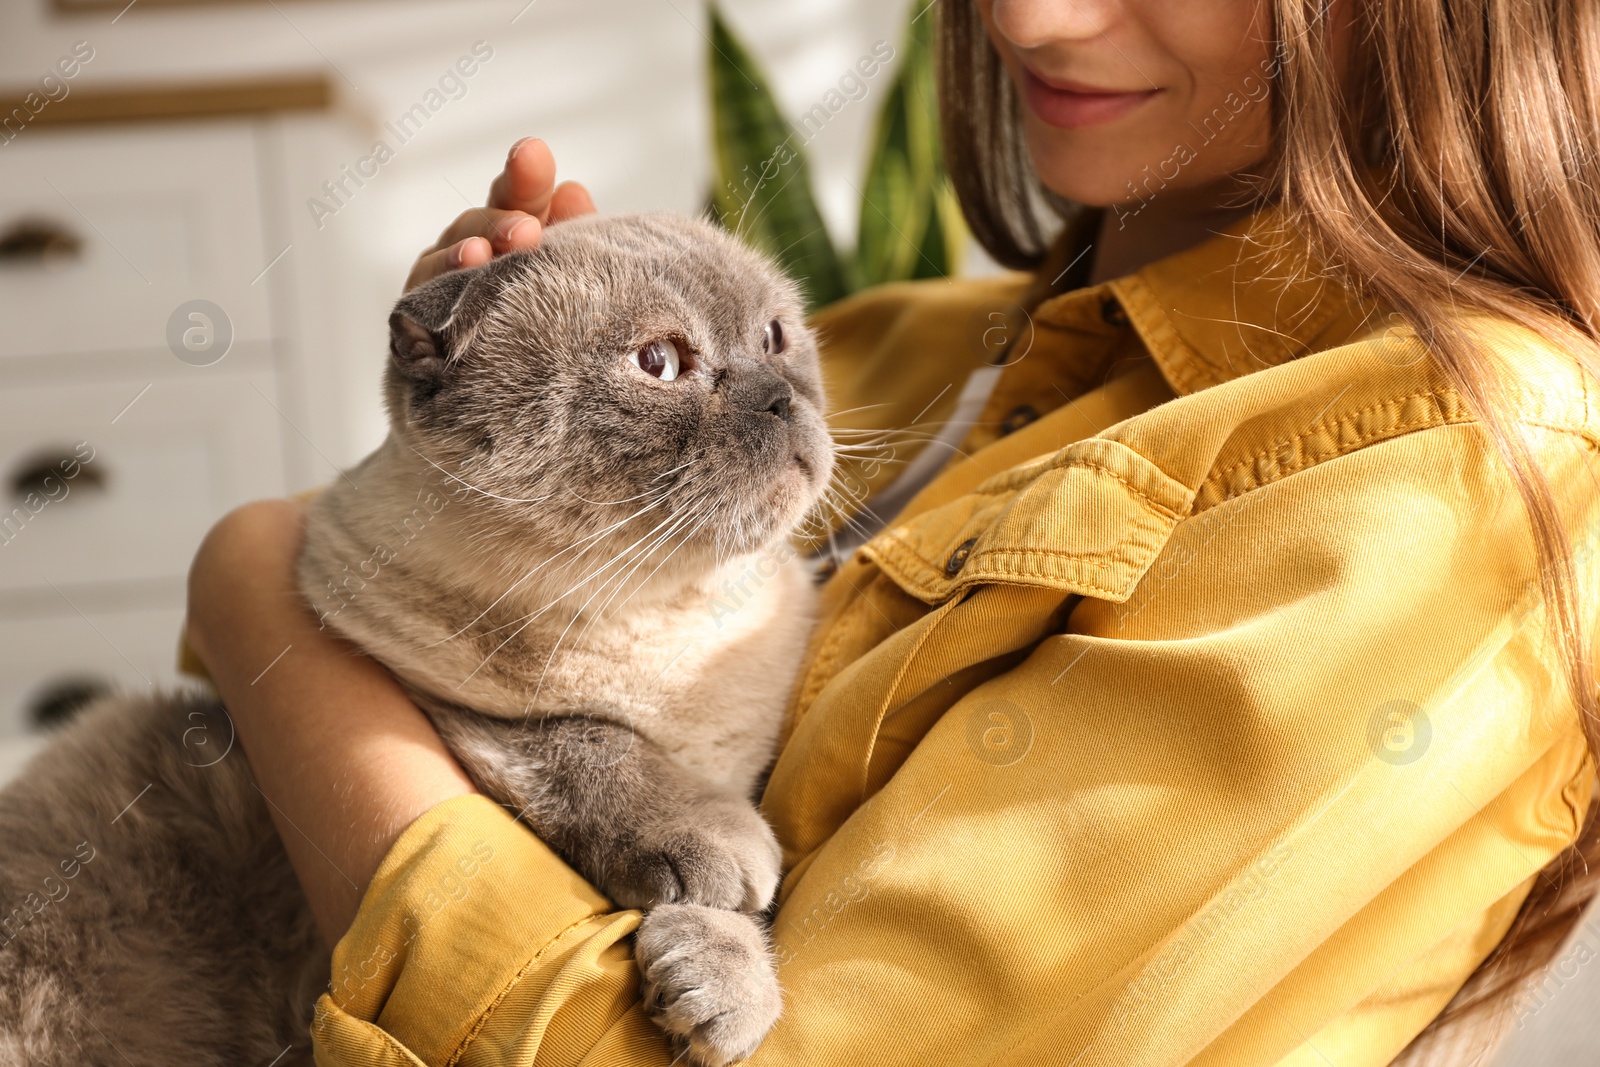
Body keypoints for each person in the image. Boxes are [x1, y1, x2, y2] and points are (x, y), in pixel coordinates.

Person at [182, 0, 1600, 1063]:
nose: (1025, 17)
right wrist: (455, 434)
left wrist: (264, 602)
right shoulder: (900, 354)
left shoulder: (1456, 483)